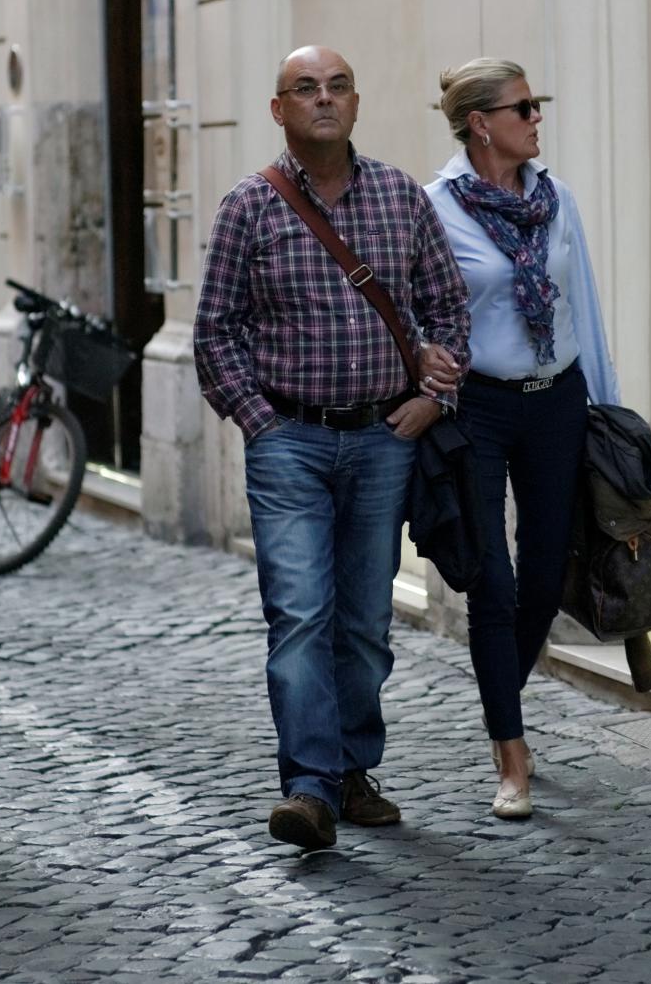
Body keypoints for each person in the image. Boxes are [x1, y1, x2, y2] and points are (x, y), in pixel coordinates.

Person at [193, 46, 470, 852]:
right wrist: (262, 422)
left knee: (364, 621)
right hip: (290, 442)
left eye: (337, 87)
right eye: (305, 89)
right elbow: (216, 331)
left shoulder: (400, 198)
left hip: (385, 438)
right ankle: (309, 789)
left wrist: (432, 397)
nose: (323, 99)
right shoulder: (250, 206)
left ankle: (353, 771)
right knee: (301, 614)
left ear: (356, 104)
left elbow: (447, 310)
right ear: (278, 110)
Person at [421, 57, 620, 820]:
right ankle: (511, 753)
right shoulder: (433, 208)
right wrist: (420, 366)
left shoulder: (555, 198)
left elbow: (584, 307)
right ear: (481, 125)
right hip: (477, 405)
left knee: (543, 577)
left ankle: (501, 695)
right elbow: (411, 311)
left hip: (558, 401)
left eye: (536, 105)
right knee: (491, 586)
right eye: (523, 108)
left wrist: (607, 413)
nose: (537, 119)